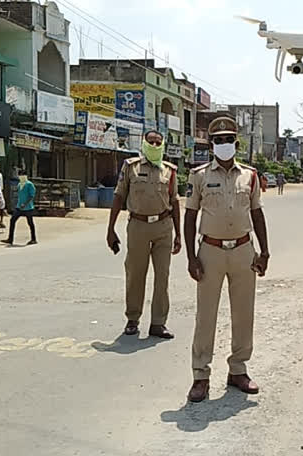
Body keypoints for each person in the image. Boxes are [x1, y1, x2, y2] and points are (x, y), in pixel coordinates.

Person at [184, 116, 270, 403]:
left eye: (228, 139)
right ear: (211, 144)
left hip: (244, 249)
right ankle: (200, 376)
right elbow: (190, 216)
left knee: (244, 313)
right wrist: (191, 257)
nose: (224, 144)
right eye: (218, 140)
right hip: (210, 250)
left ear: (236, 142)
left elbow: (257, 212)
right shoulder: (198, 175)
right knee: (205, 315)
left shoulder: (250, 175)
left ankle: (238, 370)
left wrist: (264, 251)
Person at [107, 130, 181, 340]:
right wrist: (110, 229)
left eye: (158, 142)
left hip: (163, 227)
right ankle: (133, 319)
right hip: (138, 226)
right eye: (151, 142)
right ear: (144, 143)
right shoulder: (131, 167)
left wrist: (178, 235)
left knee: (162, 277)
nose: (155, 145)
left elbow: (174, 201)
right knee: (135, 274)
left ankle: (158, 323)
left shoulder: (169, 171)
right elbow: (119, 196)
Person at [1, 171, 37, 246]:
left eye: (22, 175)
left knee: (30, 223)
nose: (21, 176)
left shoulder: (29, 184)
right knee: (12, 220)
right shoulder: (19, 184)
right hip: (19, 207)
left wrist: (25, 203)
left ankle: (33, 239)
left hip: (28, 207)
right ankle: (10, 239)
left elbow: (31, 196)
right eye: (20, 175)